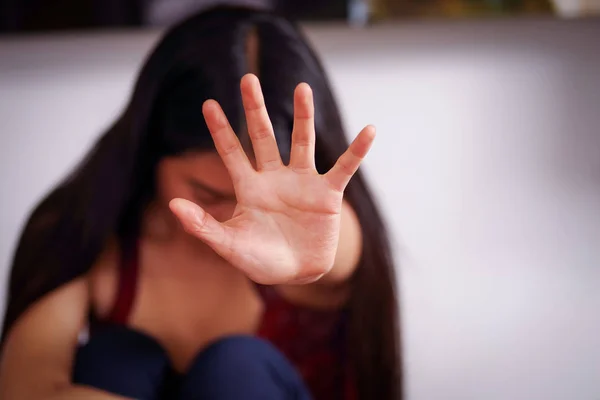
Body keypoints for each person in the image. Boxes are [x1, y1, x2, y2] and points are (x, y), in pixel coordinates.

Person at [0, 6, 400, 400]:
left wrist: (305, 246)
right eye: (209, 194)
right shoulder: (80, 230)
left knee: (236, 368)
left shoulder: (329, 239)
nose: (238, 217)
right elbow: (27, 388)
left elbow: (340, 250)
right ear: (149, 153)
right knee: (117, 358)